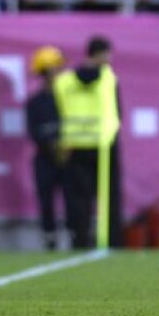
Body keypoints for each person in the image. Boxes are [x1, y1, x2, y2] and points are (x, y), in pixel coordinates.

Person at [53, 37, 122, 250]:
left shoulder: (63, 82)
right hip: (104, 144)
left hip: (74, 145)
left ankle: (80, 242)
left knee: (78, 200)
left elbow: (58, 112)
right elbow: (118, 111)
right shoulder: (109, 78)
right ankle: (111, 242)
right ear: (101, 54)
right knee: (109, 198)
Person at [26, 46, 65, 251]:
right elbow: (33, 132)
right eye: (50, 71)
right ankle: (50, 239)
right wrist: (52, 146)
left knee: (73, 199)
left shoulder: (67, 99)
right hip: (45, 158)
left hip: (68, 157)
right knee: (46, 200)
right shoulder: (34, 103)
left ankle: (79, 236)